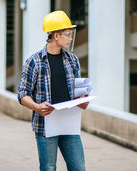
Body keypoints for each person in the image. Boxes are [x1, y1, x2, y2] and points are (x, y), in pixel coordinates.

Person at [17, 10, 89, 171]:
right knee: (49, 168)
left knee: (78, 167)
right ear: (56, 36)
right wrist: (36, 107)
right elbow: (22, 93)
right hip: (45, 125)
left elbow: (79, 91)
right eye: (67, 34)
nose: (71, 38)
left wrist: (83, 99)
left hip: (69, 124)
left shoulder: (73, 60)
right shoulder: (34, 62)